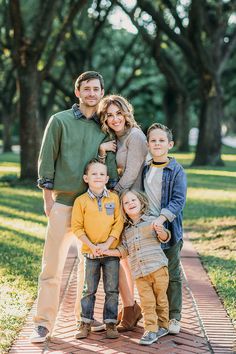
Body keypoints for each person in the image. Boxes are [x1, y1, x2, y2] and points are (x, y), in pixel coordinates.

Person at [30, 71, 118, 343]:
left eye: (96, 89)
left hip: (93, 208)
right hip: (65, 202)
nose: (92, 93)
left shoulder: (105, 127)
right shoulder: (59, 121)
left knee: (88, 267)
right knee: (52, 265)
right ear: (77, 91)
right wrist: (48, 200)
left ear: (102, 93)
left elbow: (110, 171)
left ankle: (86, 318)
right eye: (87, 88)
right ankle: (43, 323)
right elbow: (47, 161)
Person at [97, 95, 148, 331]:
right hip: (120, 202)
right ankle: (130, 307)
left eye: (118, 113)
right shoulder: (114, 138)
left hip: (132, 204)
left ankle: (133, 308)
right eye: (109, 115)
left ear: (126, 113)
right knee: (121, 259)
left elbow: (130, 174)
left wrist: (111, 197)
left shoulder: (136, 136)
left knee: (127, 259)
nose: (115, 118)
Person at [103, 190, 170, 346]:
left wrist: (161, 232)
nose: (130, 203)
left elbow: (165, 237)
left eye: (133, 200)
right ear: (123, 209)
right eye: (126, 203)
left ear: (142, 203)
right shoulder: (126, 231)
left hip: (158, 268)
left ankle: (163, 325)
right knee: (147, 303)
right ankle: (150, 329)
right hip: (140, 274)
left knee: (161, 300)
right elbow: (124, 250)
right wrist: (108, 251)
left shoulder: (152, 221)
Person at [71, 159, 123, 339]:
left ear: (107, 178)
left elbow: (118, 224)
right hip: (90, 252)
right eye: (94, 174)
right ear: (86, 178)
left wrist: (107, 245)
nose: (98, 177)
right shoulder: (81, 201)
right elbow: (77, 227)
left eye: (102, 174)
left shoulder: (114, 199)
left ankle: (110, 323)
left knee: (112, 289)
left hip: (110, 253)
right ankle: (85, 322)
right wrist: (92, 246)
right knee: (88, 289)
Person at [143, 123, 187, 335]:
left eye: (161, 140)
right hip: (147, 229)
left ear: (170, 144)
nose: (157, 144)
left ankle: (174, 317)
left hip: (168, 228)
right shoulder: (146, 167)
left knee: (172, 274)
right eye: (153, 140)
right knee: (152, 274)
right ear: (148, 144)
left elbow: (179, 201)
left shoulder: (176, 170)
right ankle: (156, 315)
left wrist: (161, 218)